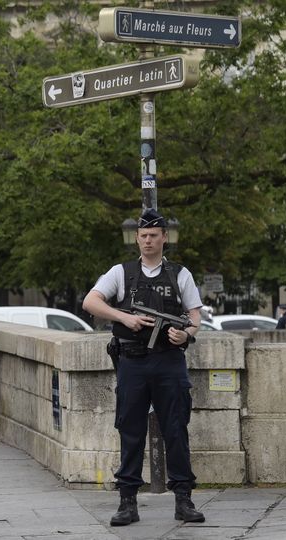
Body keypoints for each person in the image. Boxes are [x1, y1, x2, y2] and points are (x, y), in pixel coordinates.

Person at [81, 208, 205, 525]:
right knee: (131, 431)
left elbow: (195, 317)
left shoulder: (180, 274)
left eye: (153, 235)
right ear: (136, 237)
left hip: (169, 361)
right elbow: (90, 302)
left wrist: (184, 334)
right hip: (132, 361)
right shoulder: (121, 273)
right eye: (143, 236)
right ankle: (127, 503)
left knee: (176, 430)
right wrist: (126, 318)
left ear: (165, 237)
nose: (148, 241)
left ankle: (184, 500)